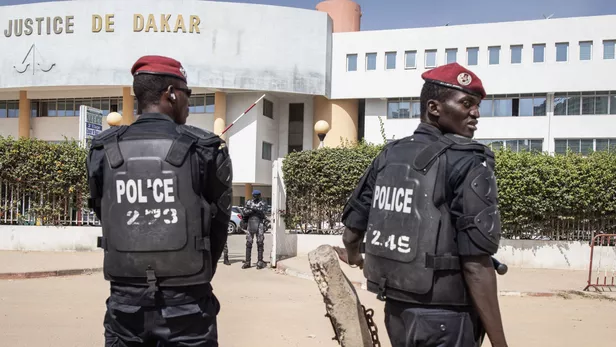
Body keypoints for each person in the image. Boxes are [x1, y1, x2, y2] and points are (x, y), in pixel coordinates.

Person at [337, 62, 508, 347]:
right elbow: (476, 265)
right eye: (466, 103)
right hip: (448, 320)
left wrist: (354, 256)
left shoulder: (389, 154)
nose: (476, 113)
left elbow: (351, 232)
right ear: (434, 107)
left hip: (397, 313)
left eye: (477, 105)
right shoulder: (469, 161)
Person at [86, 55, 233, 347]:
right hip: (188, 305)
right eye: (188, 96)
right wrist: (194, 271)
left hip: (125, 306)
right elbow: (218, 225)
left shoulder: (104, 149)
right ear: (171, 94)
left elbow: (105, 213)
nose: (189, 105)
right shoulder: (205, 149)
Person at [242, 190, 267, 269]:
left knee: (260, 242)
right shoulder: (249, 202)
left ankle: (260, 261)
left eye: (257, 195)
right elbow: (244, 212)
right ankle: (247, 262)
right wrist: (252, 211)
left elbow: (263, 212)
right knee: (249, 243)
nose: (255, 197)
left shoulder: (263, 202)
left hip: (259, 223)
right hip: (250, 223)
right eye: (254, 195)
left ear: (259, 195)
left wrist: (255, 211)